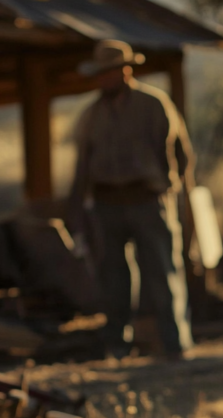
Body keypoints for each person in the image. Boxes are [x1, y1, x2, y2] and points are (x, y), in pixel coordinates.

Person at [69, 40, 194, 360]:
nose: (103, 81)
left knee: (162, 271)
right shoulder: (91, 115)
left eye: (108, 73)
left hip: (148, 200)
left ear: (125, 71)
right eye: (100, 75)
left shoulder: (154, 104)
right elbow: (82, 168)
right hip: (107, 202)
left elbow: (181, 155)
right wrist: (78, 213)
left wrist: (172, 188)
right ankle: (117, 345)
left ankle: (174, 343)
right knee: (112, 278)